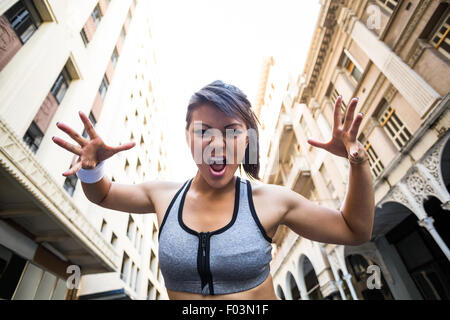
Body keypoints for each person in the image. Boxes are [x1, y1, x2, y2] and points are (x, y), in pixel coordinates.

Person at [52, 80, 374, 300]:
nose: (217, 143)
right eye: (203, 131)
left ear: (247, 139)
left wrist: (357, 161)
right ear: (188, 137)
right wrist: (93, 170)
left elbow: (354, 229)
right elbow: (104, 194)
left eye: (232, 131)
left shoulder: (272, 201)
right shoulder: (163, 195)